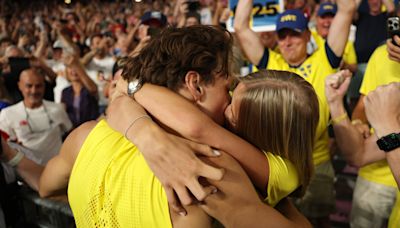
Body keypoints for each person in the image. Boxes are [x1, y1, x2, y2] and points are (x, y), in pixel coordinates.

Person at [39, 25, 314, 227]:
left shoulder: (84, 136)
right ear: (195, 84)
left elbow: (46, 189)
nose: (229, 99)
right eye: (226, 87)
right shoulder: (209, 171)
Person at [234, 0, 355, 226]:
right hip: (277, 165)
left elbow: (347, 9)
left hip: (317, 163)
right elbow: (240, 26)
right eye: (282, 36)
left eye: (295, 35)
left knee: (319, 220)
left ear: (308, 36)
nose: (287, 42)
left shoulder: (326, 60)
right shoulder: (270, 63)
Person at [61, 54, 99, 128]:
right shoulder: (65, 92)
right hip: (73, 132)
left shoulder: (89, 87)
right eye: (70, 67)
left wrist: (76, 65)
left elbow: (93, 89)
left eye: (75, 67)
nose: (73, 70)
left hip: (91, 130)